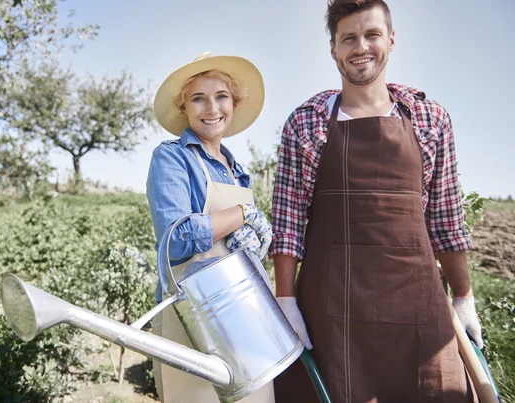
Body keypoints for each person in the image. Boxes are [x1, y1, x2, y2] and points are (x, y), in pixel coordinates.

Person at [270, 1, 483, 401]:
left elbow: (446, 220)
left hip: (417, 312)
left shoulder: (428, 117)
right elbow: (288, 222)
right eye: (348, 38)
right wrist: (285, 301)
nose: (360, 47)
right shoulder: (307, 121)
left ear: (391, 39)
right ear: (332, 48)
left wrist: (463, 298)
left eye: (371, 35)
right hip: (330, 311)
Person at [146, 52, 275, 403]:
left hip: (245, 314)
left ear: (234, 103)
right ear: (184, 107)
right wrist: (243, 214)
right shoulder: (172, 157)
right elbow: (175, 241)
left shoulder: (237, 168)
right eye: (198, 99)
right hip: (196, 316)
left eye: (221, 97)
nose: (211, 108)